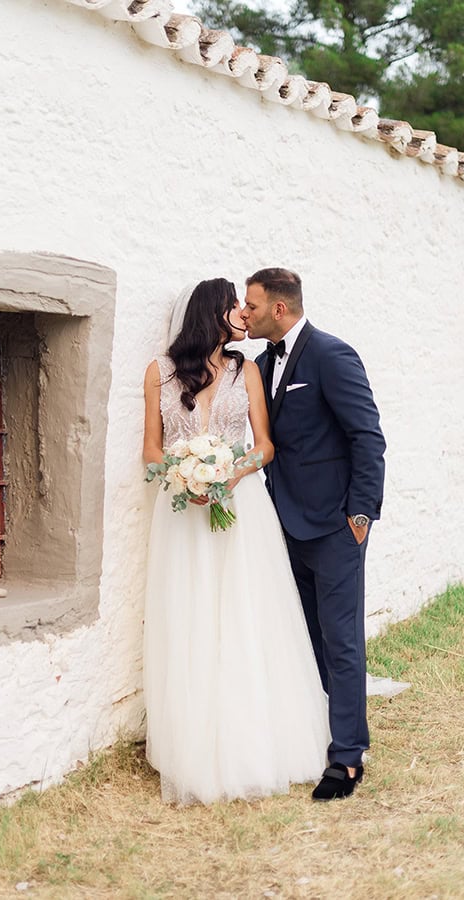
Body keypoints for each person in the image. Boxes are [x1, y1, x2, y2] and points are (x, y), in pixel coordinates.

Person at [142, 278, 330, 805]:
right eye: (235, 306)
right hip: (182, 515)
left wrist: (228, 472)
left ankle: (252, 737)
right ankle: (191, 743)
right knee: (190, 617)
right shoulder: (159, 373)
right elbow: (151, 452)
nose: (243, 315)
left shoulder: (247, 371)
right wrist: (183, 476)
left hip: (241, 508)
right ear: (212, 312)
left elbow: (264, 446)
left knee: (244, 615)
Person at [241, 267, 386, 802]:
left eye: (251, 306)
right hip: (285, 526)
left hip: (335, 527)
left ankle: (347, 758)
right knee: (307, 638)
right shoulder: (258, 363)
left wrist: (360, 517)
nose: (245, 314)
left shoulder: (332, 355)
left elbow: (368, 438)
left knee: (341, 640)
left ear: (279, 309)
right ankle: (321, 734)